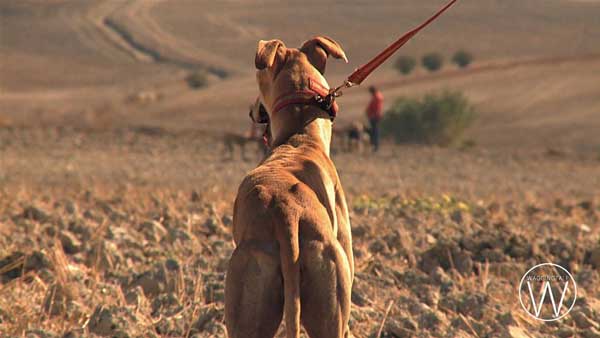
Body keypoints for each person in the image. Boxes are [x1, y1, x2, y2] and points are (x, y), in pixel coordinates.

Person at [365, 86, 384, 152]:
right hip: (374, 116)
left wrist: (373, 115)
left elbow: (377, 108)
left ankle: (375, 146)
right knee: (374, 131)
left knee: (375, 132)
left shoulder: (377, 97)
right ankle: (374, 145)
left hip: (375, 117)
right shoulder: (377, 96)